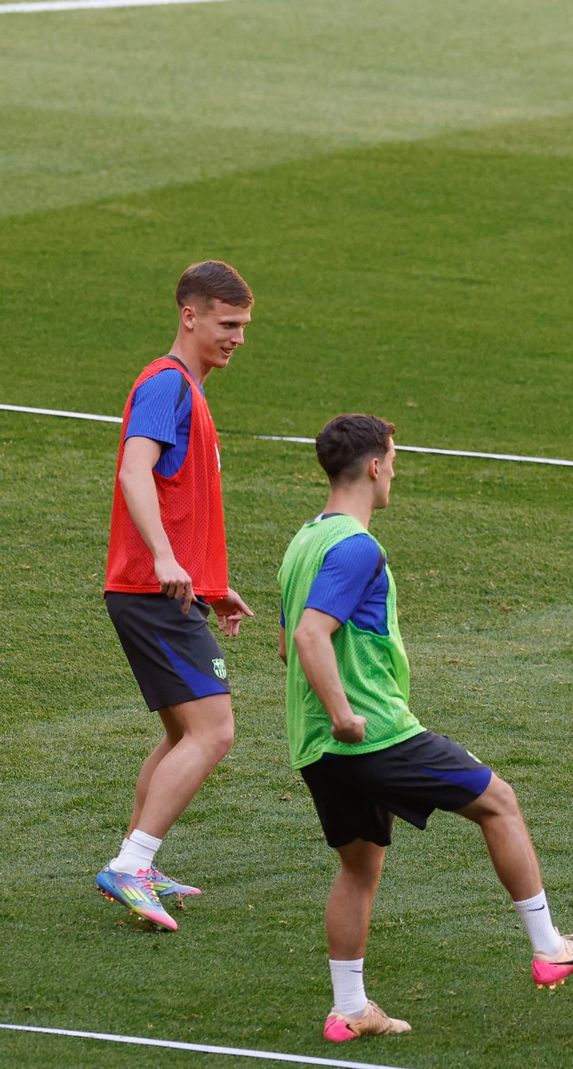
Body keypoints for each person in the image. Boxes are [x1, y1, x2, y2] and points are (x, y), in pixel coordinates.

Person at [280, 414, 573, 1043]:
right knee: (499, 802)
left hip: (314, 746)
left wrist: (329, 713)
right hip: (371, 734)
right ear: (374, 465)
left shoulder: (303, 542)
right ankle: (550, 947)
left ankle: (351, 1008)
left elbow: (287, 649)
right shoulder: (356, 546)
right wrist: (348, 713)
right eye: (393, 458)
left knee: (358, 867)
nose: (395, 469)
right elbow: (307, 635)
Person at [98, 261, 257, 932]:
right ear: (189, 316)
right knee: (213, 729)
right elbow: (135, 469)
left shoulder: (188, 387)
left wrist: (213, 585)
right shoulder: (166, 384)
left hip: (167, 589)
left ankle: (139, 861)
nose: (238, 338)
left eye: (244, 327)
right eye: (227, 324)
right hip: (150, 588)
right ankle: (132, 863)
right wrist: (164, 557)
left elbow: (176, 495)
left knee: (181, 731)